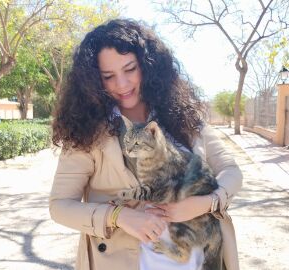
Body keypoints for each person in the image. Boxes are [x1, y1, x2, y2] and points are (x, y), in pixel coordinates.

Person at [49, 19, 243, 270]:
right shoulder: (86, 132)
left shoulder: (184, 118)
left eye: (130, 69)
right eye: (108, 76)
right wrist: (119, 216)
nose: (122, 84)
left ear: (149, 66)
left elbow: (231, 171)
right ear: (94, 81)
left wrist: (205, 203)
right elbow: (60, 206)